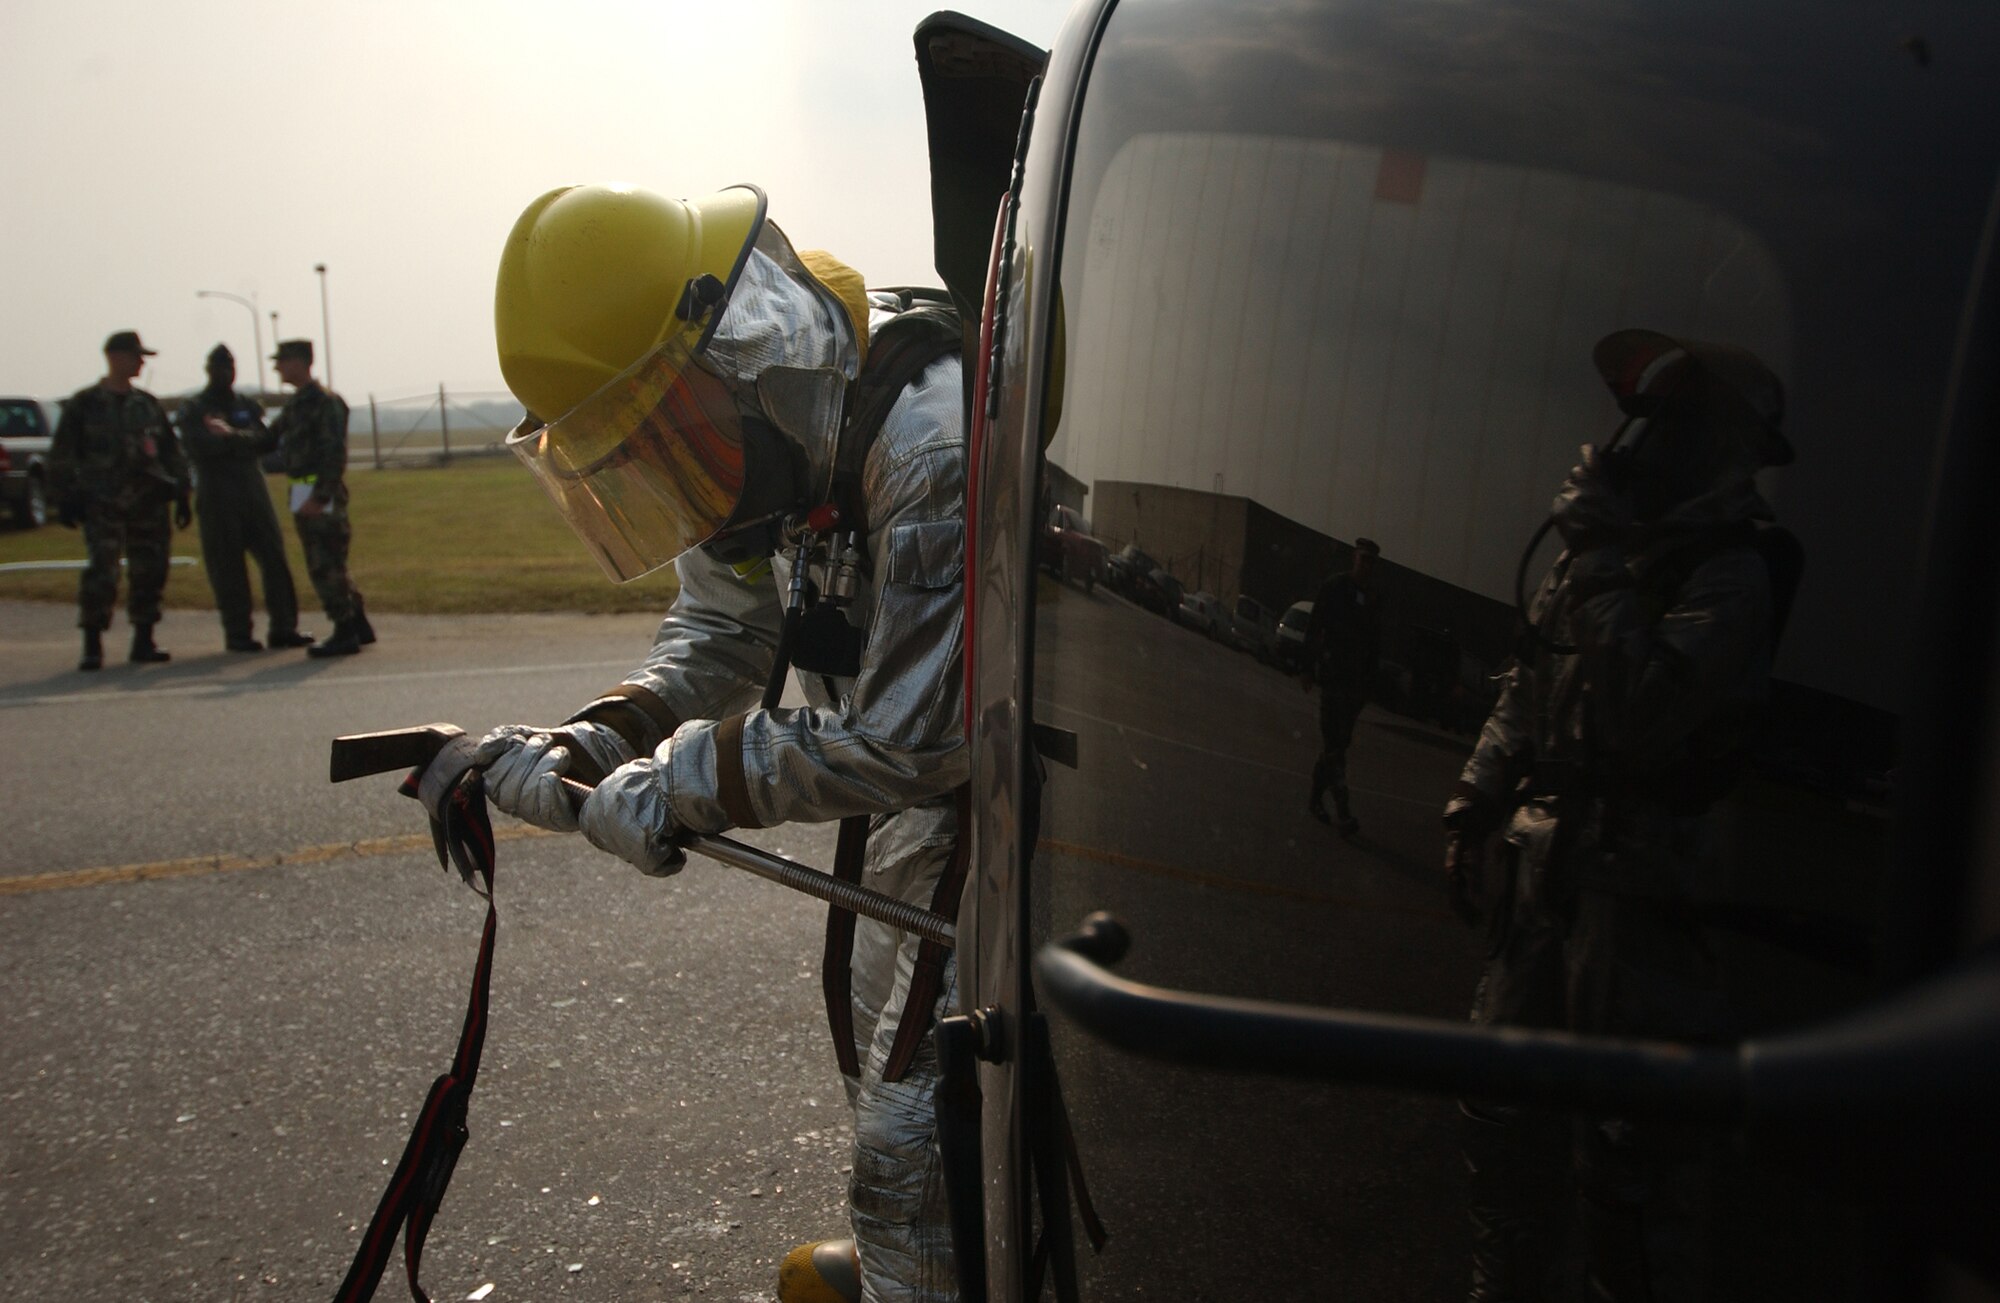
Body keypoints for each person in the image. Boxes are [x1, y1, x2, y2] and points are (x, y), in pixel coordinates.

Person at [473, 182, 968, 1303]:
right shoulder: (765, 433)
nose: (665, 479)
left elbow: (919, 740)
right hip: (903, 806)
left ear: (733, 356)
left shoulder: (926, 437)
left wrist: (681, 781)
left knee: (916, 1126)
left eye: (659, 434)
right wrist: (603, 735)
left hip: (1006, 807)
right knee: (871, 1046)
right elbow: (721, 631)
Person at [1442, 329, 1794, 1302]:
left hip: (1640, 909)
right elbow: (1526, 685)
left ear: (1725, 446)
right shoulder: (1594, 558)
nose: (1644, 443)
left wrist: (1596, 553)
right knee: (1500, 1115)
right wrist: (1473, 797)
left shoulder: (1733, 574)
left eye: (1676, 424)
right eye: (1647, 421)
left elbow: (1643, 710)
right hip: (1542, 886)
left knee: (1623, 1168)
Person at [48, 330, 191, 670]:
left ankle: (144, 639)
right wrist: (65, 498)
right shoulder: (84, 404)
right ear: (114, 356)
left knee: (150, 569)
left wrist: (182, 492)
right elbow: (62, 454)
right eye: (135, 356)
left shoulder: (147, 404)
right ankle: (93, 643)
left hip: (148, 501)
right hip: (103, 502)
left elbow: (171, 453)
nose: (141, 362)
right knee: (103, 571)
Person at [176, 344, 315, 652]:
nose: (224, 373)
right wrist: (239, 443)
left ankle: (283, 627)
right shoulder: (195, 408)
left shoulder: (247, 406)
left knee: (274, 558)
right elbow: (199, 447)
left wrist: (229, 439)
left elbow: (262, 443)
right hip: (216, 490)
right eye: (218, 367)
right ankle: (238, 632)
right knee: (227, 565)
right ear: (208, 370)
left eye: (229, 366)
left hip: (252, 487)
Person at [269, 339, 372, 657]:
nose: (277, 367)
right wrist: (228, 434)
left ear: (300, 362)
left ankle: (344, 632)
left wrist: (321, 496)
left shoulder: (324, 402)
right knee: (332, 562)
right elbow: (267, 438)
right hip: (304, 491)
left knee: (324, 565)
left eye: (282, 361)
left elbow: (333, 453)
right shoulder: (297, 403)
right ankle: (358, 624)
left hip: (319, 494)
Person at [1300, 537, 1383, 833]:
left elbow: (1374, 646)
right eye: (1363, 559)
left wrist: (1369, 687)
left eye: (1372, 561)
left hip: (1355, 687)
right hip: (1333, 679)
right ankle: (1344, 811)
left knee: (1337, 746)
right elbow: (1314, 627)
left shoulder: (1373, 599)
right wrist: (1307, 668)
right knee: (1335, 748)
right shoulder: (1335, 587)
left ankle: (1314, 800)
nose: (1367, 566)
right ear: (1354, 557)